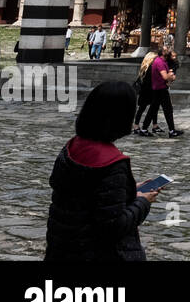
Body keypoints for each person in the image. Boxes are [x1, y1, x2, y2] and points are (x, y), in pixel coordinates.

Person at [45, 81, 161, 261]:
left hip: (63, 248)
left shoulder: (72, 148)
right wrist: (143, 201)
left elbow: (88, 197)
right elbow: (113, 226)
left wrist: (129, 190)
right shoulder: (112, 163)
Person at [139, 43, 181, 138]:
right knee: (168, 110)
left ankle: (144, 129)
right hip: (160, 89)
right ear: (163, 53)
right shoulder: (159, 62)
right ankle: (171, 131)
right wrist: (171, 77)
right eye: (166, 50)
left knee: (153, 109)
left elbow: (169, 75)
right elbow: (166, 76)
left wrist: (170, 76)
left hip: (159, 88)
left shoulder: (162, 61)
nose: (169, 52)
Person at [133, 52, 157, 133]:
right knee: (144, 109)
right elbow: (148, 82)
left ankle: (154, 125)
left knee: (152, 108)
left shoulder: (144, 68)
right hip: (147, 92)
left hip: (147, 92)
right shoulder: (149, 68)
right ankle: (136, 126)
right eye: (154, 58)